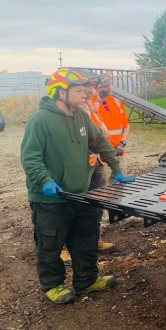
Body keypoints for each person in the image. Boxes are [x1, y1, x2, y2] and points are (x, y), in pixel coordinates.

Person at [21, 68, 135, 304]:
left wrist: (117, 169)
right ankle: (52, 285)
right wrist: (45, 180)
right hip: (51, 199)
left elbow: (101, 143)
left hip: (80, 194)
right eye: (80, 90)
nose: (87, 93)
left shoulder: (82, 116)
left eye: (87, 89)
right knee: (50, 244)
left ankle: (87, 280)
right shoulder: (39, 121)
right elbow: (30, 158)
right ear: (61, 93)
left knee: (86, 239)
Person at [60, 74, 115, 266]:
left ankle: (94, 239)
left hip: (96, 160)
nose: (90, 89)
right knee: (73, 207)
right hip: (81, 164)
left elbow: (97, 133)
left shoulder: (91, 104)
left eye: (92, 86)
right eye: (87, 86)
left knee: (96, 204)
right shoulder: (71, 107)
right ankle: (64, 248)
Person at [90, 74, 131, 185]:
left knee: (121, 186)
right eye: (104, 86)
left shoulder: (117, 103)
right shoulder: (91, 103)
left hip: (118, 152)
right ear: (95, 88)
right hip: (103, 155)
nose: (108, 88)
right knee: (104, 187)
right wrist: (99, 99)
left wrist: (122, 143)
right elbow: (94, 121)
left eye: (109, 85)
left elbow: (126, 127)